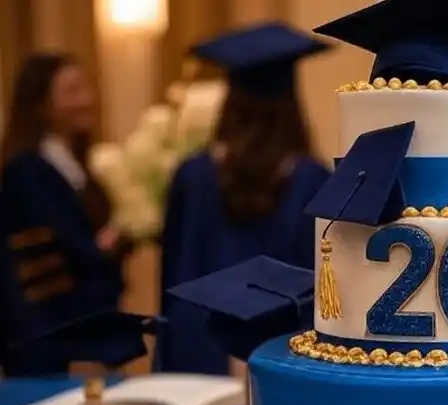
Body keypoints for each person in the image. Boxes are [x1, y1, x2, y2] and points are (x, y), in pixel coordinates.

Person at [158, 22, 331, 375]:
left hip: (199, 358)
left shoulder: (193, 176)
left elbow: (173, 280)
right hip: (284, 359)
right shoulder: (313, 179)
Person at [0, 53, 128, 376]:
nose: (87, 100)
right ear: (41, 104)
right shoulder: (27, 169)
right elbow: (71, 247)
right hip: (53, 332)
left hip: (86, 324)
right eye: (72, 91)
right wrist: (112, 245)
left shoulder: (71, 163)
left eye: (86, 88)